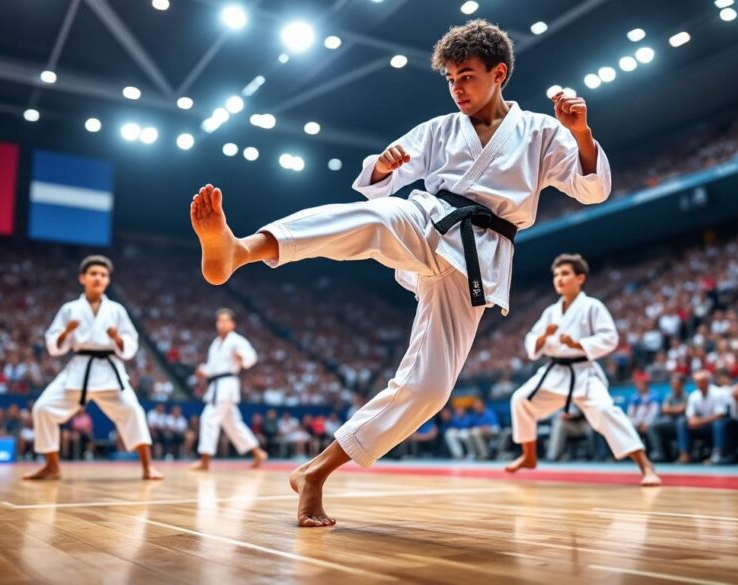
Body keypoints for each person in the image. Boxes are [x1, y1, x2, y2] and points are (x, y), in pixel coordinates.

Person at [189, 20, 612, 526]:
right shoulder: (439, 129)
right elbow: (374, 179)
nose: (457, 88)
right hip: (429, 220)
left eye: (467, 76)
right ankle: (243, 249)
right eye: (451, 79)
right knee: (374, 217)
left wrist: (581, 133)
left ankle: (315, 473)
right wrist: (387, 169)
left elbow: (592, 188)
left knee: (430, 388)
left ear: (499, 74)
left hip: (478, 259)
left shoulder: (542, 132)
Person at [505, 254, 660, 485]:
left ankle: (646, 466)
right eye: (556, 274)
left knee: (606, 410)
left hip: (583, 372)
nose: (559, 278)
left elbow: (610, 338)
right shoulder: (550, 312)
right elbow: (532, 339)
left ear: (580, 278)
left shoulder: (592, 307)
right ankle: (529, 456)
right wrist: (543, 337)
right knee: (520, 400)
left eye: (565, 273)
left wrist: (578, 345)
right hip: (555, 372)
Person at [24, 256, 161, 480]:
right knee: (43, 408)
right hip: (80, 368)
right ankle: (52, 466)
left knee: (133, 411)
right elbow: (54, 345)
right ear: (82, 278)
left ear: (108, 280)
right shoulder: (70, 309)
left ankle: (147, 467)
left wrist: (117, 338)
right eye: (93, 274)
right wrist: (66, 332)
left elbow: (131, 344)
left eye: (103, 275)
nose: (98, 278)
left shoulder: (116, 310)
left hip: (109, 371)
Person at [192, 309, 267, 471]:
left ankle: (205, 459)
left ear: (233, 324)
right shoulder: (215, 343)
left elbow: (251, 356)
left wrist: (242, 358)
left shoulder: (237, 340)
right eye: (220, 320)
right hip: (217, 384)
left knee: (208, 418)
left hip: (226, 385)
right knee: (233, 424)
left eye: (226, 321)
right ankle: (257, 452)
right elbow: (213, 368)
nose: (222, 323)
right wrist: (203, 371)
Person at [677, 371, 730, 464]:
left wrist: (700, 421)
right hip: (701, 425)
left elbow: (720, 414)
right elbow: (690, 414)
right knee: (682, 422)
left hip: (715, 425)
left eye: (701, 381)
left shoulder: (718, 393)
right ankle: (684, 453)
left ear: (707, 381)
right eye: (696, 382)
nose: (699, 384)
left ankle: (718, 454)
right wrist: (692, 420)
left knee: (718, 424)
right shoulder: (694, 395)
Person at [647, 375, 686, 462]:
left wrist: (671, 410)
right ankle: (658, 453)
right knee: (652, 426)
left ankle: (683, 454)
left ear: (682, 385)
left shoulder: (687, 396)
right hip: (670, 422)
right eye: (672, 384)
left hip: (682, 424)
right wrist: (676, 410)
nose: (674, 386)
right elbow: (664, 409)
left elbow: (683, 409)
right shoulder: (669, 396)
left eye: (676, 384)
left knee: (681, 423)